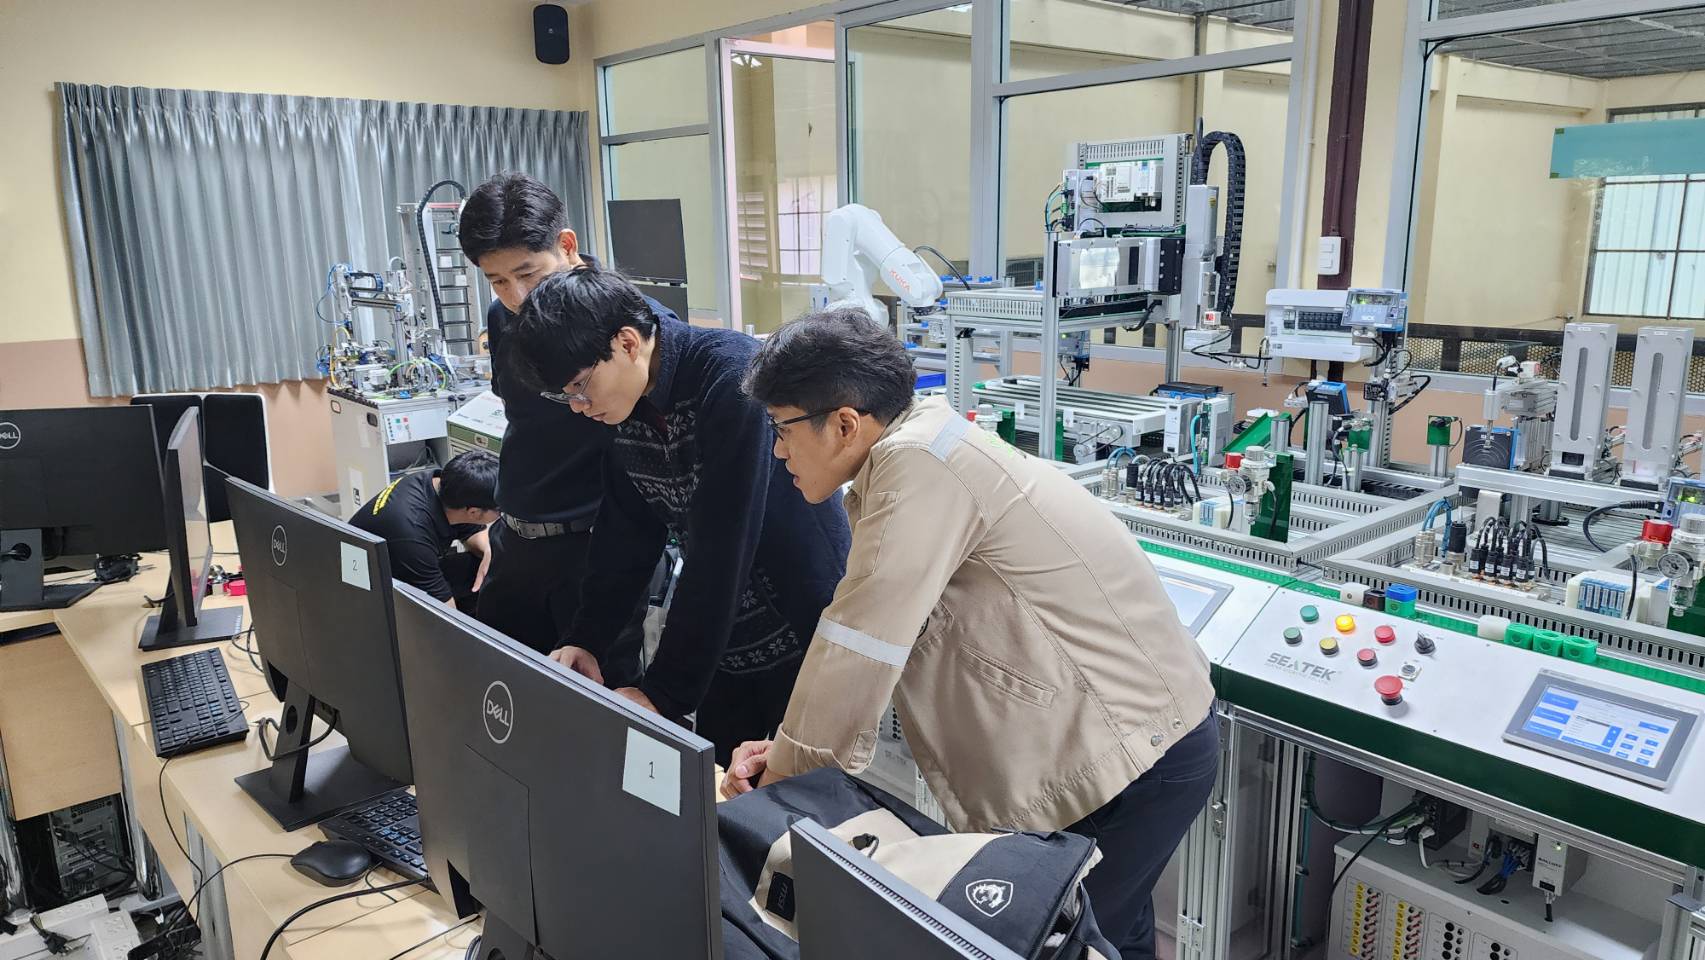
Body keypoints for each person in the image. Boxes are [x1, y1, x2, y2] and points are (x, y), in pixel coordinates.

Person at [721, 309, 1220, 960]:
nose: (777, 450)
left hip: (1133, 757)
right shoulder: (912, 455)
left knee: (1062, 943)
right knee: (1116, 939)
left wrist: (787, 774)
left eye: (782, 428)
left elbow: (860, 642)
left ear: (843, 423)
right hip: (1121, 746)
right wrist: (790, 750)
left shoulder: (919, 462)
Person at [507, 266, 851, 764]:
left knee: (795, 790)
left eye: (580, 387)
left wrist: (662, 692)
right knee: (722, 786)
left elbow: (722, 546)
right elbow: (625, 532)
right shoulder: (625, 402)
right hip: (725, 639)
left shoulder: (731, 378)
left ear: (627, 343)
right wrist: (588, 638)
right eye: (566, 396)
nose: (578, 406)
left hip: (799, 632)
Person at [458, 173, 657, 684]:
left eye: (528, 273)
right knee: (497, 691)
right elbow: (522, 425)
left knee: (593, 702)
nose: (517, 296)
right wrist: (498, 530)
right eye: (497, 281)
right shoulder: (502, 318)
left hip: (593, 550)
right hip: (516, 539)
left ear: (566, 246)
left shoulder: (627, 322)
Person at [349, 450, 499, 611]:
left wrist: (489, 551)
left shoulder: (443, 486)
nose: (501, 514)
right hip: (364, 593)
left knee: (488, 568)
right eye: (500, 510)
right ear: (474, 512)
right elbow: (445, 614)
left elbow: (471, 529)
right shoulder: (413, 536)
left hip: (391, 565)